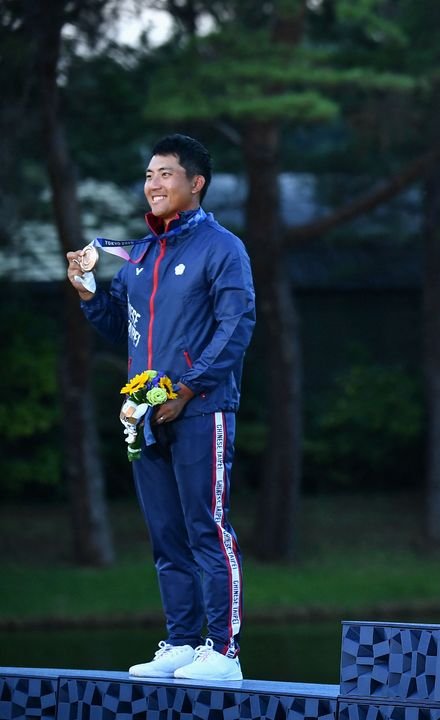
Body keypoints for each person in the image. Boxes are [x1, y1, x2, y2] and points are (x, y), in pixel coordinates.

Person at [66, 134, 255, 681]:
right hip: (145, 416)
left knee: (206, 529)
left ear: (194, 183)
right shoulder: (142, 256)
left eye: (165, 174)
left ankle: (223, 653)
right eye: (149, 175)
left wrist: (187, 390)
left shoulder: (223, 248)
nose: (153, 184)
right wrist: (85, 290)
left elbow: (236, 327)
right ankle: (180, 642)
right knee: (166, 534)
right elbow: (117, 329)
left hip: (201, 408)